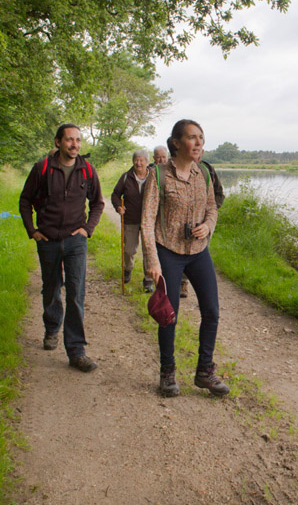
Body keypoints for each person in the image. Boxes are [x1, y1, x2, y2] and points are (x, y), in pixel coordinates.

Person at [141, 119, 229, 397]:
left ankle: (205, 372)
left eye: (201, 137)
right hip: (168, 251)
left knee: (212, 311)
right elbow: (146, 221)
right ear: (177, 143)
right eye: (193, 137)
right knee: (169, 316)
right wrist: (152, 261)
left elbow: (212, 208)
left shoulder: (203, 173)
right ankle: (167, 373)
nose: (199, 142)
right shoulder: (158, 175)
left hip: (198, 251)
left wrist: (208, 226)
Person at [19, 123, 104, 373]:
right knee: (51, 288)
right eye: (69, 140)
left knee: (76, 292)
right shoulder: (42, 168)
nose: (74, 144)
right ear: (58, 142)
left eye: (78, 140)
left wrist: (88, 229)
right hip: (48, 241)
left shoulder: (87, 170)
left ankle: (76, 351)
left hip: (76, 240)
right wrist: (32, 231)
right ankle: (51, 328)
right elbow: (25, 200)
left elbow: (98, 203)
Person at [111, 149, 153, 293]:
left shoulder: (153, 177)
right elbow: (115, 194)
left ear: (147, 162)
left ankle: (148, 279)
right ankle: (128, 269)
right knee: (129, 249)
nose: (138, 163)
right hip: (130, 219)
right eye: (136, 160)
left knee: (148, 250)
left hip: (149, 221)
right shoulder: (126, 177)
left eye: (142, 160)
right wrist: (118, 207)